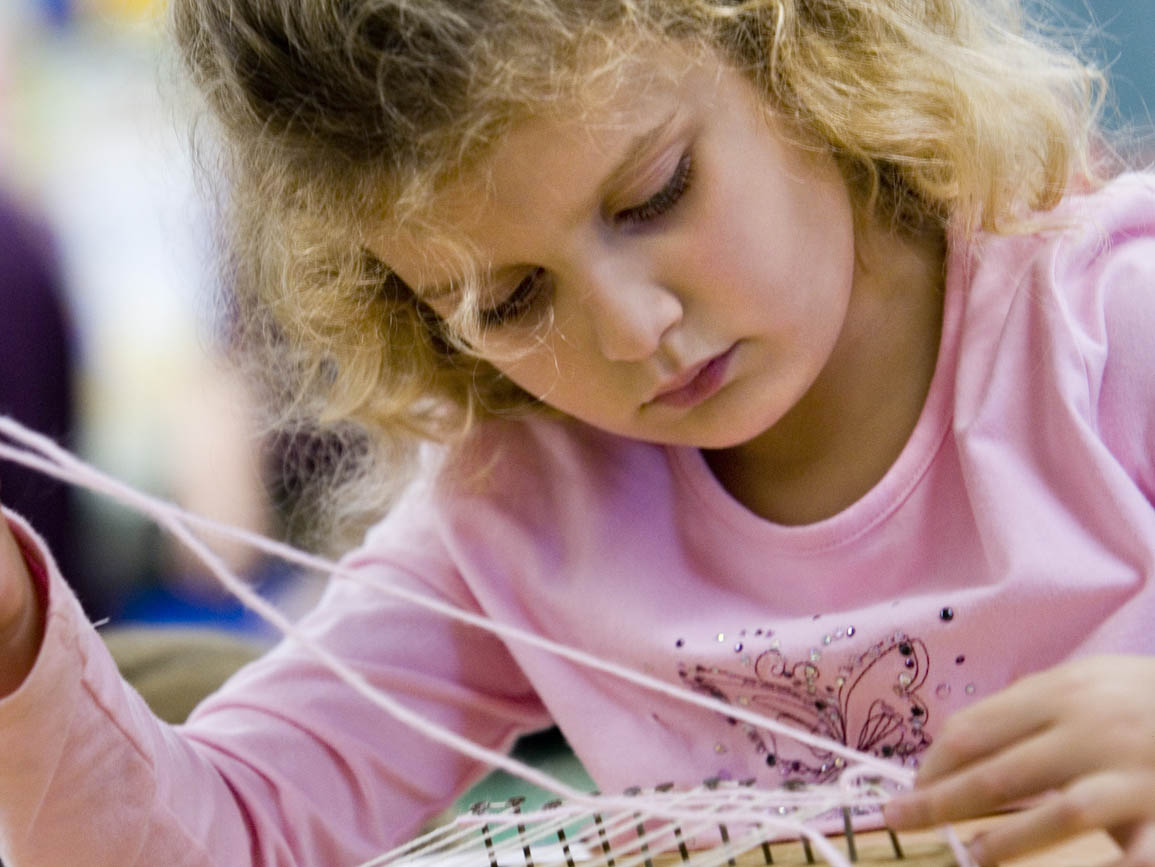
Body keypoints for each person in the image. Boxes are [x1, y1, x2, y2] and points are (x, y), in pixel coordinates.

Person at [1, 1, 1154, 865]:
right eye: (512, 302)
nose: (634, 329)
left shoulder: (1111, 329)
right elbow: (228, 831)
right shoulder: (525, 509)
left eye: (656, 194)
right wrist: (15, 638)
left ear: (789, 43)